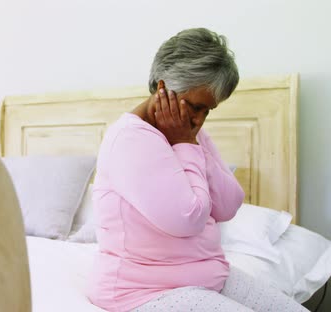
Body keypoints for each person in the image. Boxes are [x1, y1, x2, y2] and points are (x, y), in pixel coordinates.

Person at [87, 28, 307, 312]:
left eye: (208, 111)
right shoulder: (131, 139)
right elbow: (187, 218)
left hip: (207, 276)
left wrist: (189, 143)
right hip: (144, 291)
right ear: (163, 87)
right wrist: (185, 144)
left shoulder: (188, 134)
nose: (200, 119)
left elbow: (228, 204)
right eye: (195, 106)